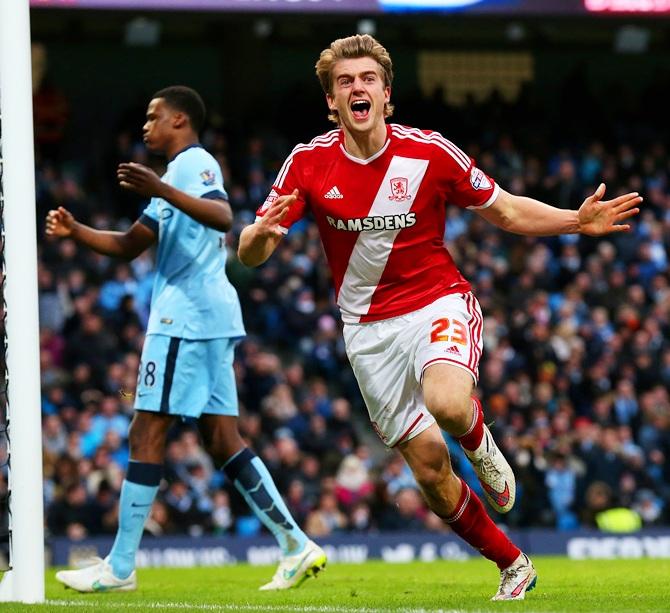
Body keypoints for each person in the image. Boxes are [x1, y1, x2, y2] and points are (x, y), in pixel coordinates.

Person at [238, 35, 642, 601]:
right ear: (331, 101)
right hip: (366, 332)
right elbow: (252, 252)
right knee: (428, 471)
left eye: (367, 79)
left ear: (386, 94)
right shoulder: (307, 163)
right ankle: (512, 564)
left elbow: (503, 208)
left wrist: (575, 221)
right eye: (345, 82)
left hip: (436, 302)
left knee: (449, 403)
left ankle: (483, 449)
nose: (358, 88)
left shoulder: (429, 153)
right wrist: (258, 235)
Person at [48, 86, 326, 593]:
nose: (145, 128)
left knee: (145, 430)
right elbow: (128, 246)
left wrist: (160, 188)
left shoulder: (194, 163)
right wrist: (76, 231)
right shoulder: (174, 178)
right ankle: (294, 545)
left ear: (179, 120)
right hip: (208, 318)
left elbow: (222, 217)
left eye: (153, 118)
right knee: (222, 439)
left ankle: (120, 567)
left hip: (186, 319)